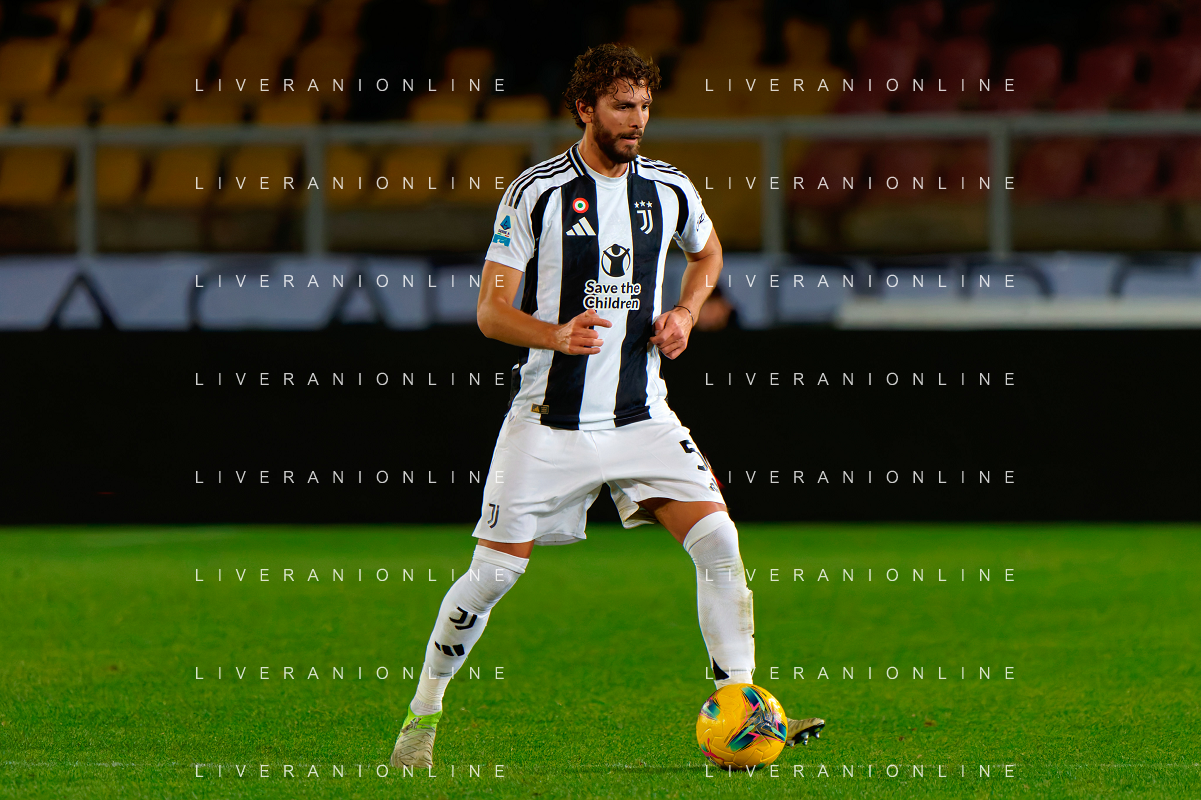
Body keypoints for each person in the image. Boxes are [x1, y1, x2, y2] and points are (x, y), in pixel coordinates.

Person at [390, 43, 824, 770]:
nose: (637, 119)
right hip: (549, 424)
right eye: (623, 105)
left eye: (645, 105)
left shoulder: (669, 188)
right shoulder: (537, 193)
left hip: (641, 418)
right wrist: (555, 334)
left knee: (719, 542)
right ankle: (422, 718)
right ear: (584, 108)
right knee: (493, 577)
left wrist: (686, 311)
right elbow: (491, 314)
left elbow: (708, 254)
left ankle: (740, 709)